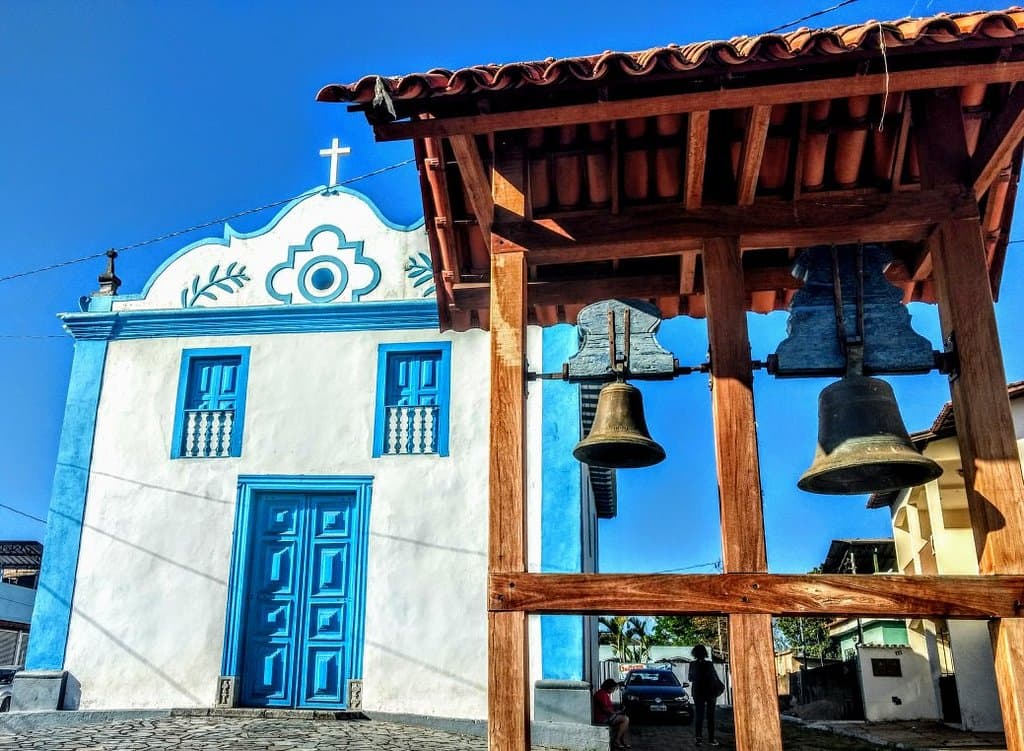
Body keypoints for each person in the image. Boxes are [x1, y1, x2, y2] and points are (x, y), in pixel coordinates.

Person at [688, 645, 721, 746]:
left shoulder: (692, 664)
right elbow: (714, 676)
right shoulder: (709, 664)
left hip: (698, 693)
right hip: (710, 693)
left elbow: (690, 678)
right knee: (710, 717)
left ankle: (698, 739)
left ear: (694, 653)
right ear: (705, 653)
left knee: (699, 716)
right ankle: (711, 739)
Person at [593, 678, 631, 749]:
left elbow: (608, 707)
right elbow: (605, 709)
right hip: (602, 718)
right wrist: (615, 712)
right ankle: (617, 740)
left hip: (606, 716)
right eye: (613, 688)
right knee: (625, 719)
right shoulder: (602, 695)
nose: (614, 690)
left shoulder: (603, 693)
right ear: (609, 687)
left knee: (625, 718)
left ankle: (621, 740)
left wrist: (617, 711)